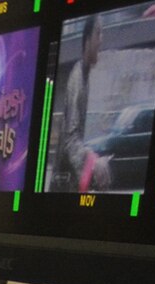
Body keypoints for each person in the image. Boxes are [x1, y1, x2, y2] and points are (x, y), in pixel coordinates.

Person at [59, 16, 112, 193]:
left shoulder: (85, 76)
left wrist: (93, 159)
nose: (101, 40)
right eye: (98, 33)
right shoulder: (77, 78)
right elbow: (70, 140)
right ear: (87, 39)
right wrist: (94, 162)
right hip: (64, 188)